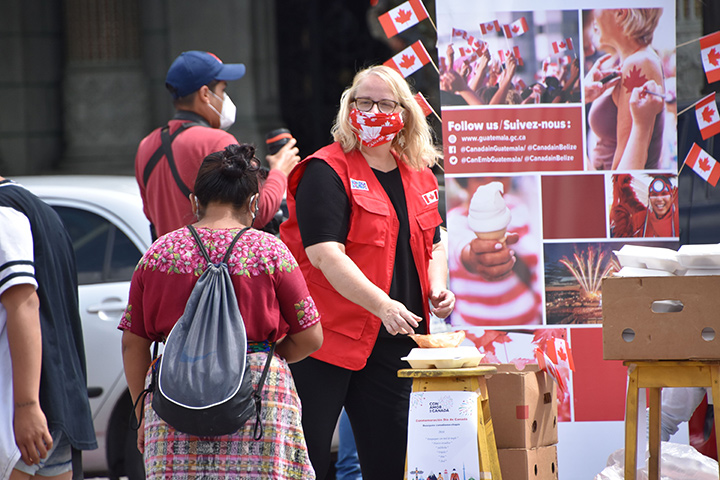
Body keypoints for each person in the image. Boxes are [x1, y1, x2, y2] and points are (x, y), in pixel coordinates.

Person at [280, 65, 455, 479]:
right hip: (324, 338)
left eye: (384, 103)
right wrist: (382, 303)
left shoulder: (418, 173)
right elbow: (324, 254)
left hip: (393, 341)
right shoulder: (325, 170)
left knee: (391, 458)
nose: (373, 111)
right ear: (349, 108)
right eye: (363, 101)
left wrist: (438, 286)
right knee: (307, 458)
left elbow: (435, 240)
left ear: (404, 113)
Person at [120, 144, 323, 480]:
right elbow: (311, 336)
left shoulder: (159, 254)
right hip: (259, 399)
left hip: (174, 399)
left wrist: (142, 414)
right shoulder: (270, 251)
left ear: (194, 201)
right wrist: (265, 357)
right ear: (255, 204)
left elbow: (133, 344)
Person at [135, 50, 300, 239]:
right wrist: (280, 171)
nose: (225, 98)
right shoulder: (217, 141)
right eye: (222, 90)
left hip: (169, 264)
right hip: (213, 265)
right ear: (205, 94)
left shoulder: (146, 146)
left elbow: (150, 215)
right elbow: (258, 211)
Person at [0, 177, 97, 479]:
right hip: (56, 404)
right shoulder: (43, 211)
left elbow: (24, 304)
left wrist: (27, 405)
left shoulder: (5, 213)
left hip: (18, 413)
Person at [446, 177, 542, 326]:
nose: (490, 185)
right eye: (479, 179)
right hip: (477, 332)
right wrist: (476, 257)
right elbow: (464, 251)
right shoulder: (455, 220)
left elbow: (534, 268)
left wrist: (543, 314)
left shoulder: (517, 209)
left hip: (528, 323)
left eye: (498, 177)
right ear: (464, 183)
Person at [585, 8, 666, 170]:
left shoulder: (639, 63)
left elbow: (624, 173)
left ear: (621, 13)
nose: (593, 16)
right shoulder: (620, 62)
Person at [610, 174, 678, 237]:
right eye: (654, 195)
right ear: (649, 198)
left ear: (671, 196)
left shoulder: (679, 219)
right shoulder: (639, 220)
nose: (659, 199)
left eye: (664, 194)